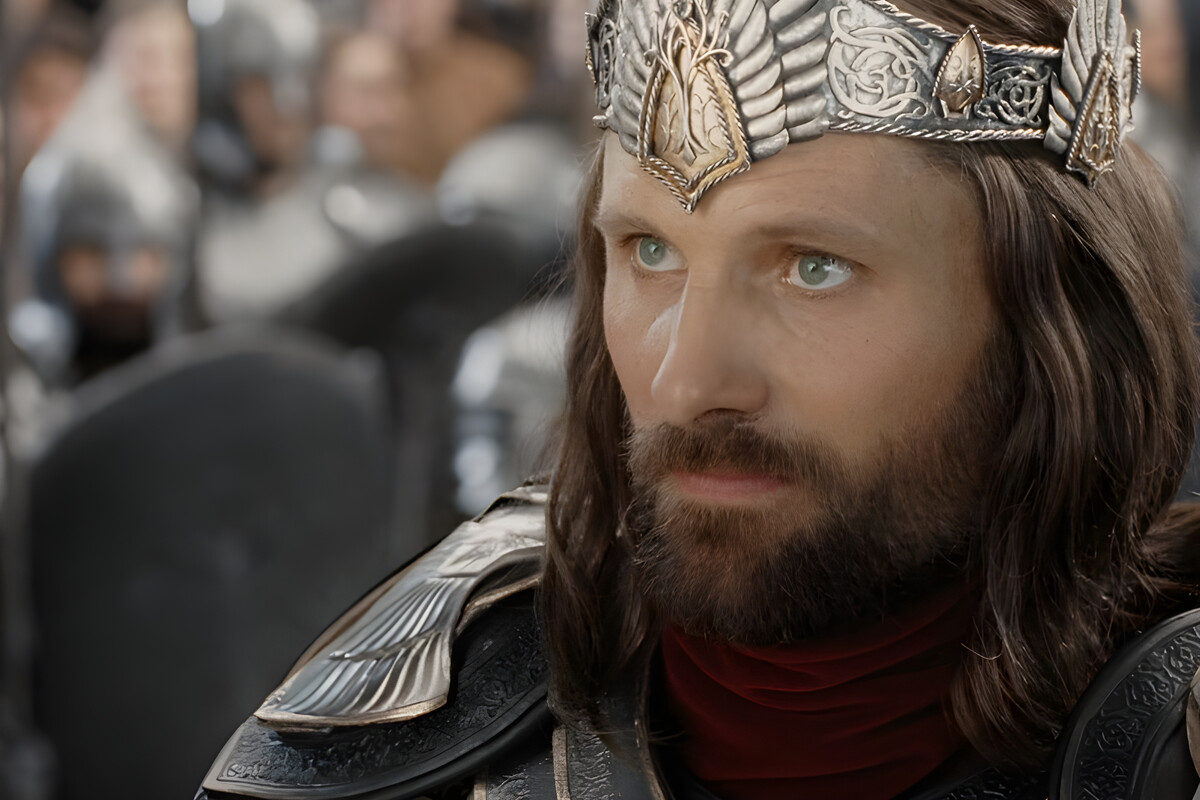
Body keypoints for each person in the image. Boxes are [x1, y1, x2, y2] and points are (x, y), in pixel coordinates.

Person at [197, 0, 1200, 798]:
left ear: (1052, 319)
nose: (683, 382)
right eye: (650, 252)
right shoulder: (400, 718)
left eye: (813, 267)